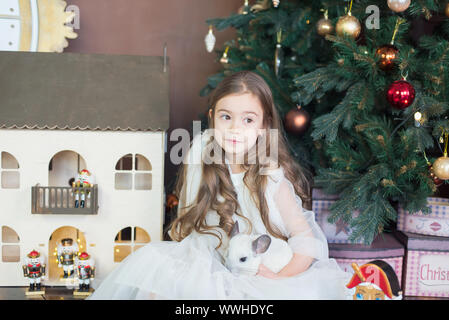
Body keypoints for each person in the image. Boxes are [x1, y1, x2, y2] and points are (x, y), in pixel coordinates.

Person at [89, 70, 351, 300]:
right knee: (157, 282)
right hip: (205, 259)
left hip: (255, 269)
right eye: (227, 117)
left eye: (248, 120)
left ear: (263, 126)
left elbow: (306, 241)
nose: (235, 128)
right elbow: (186, 225)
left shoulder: (271, 177)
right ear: (213, 117)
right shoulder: (201, 154)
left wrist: (278, 279)